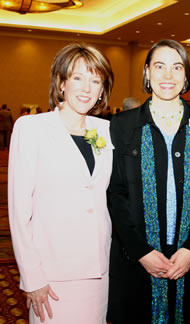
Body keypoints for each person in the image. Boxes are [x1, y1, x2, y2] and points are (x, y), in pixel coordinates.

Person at [107, 39, 190, 324]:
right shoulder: (122, 126)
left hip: (188, 256)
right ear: (147, 72)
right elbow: (115, 195)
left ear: (186, 76)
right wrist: (140, 251)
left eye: (176, 67)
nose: (167, 75)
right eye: (159, 66)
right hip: (138, 255)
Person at [8, 43, 114, 324]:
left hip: (98, 269)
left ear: (102, 90)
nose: (86, 88)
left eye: (95, 80)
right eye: (77, 77)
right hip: (51, 273)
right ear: (61, 82)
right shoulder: (31, 128)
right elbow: (20, 211)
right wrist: (32, 276)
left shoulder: (105, 131)